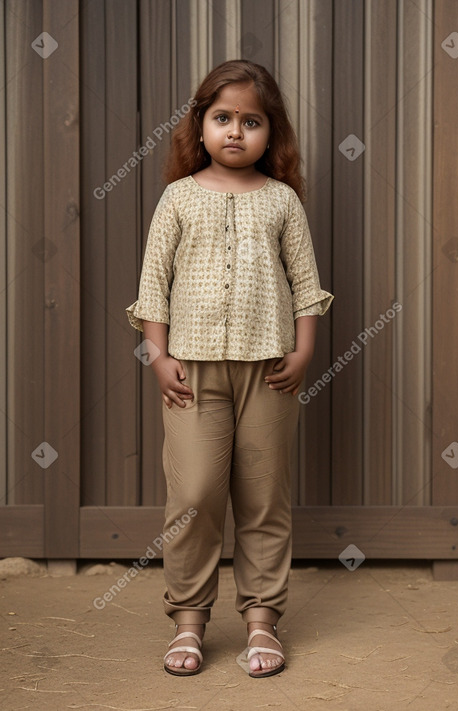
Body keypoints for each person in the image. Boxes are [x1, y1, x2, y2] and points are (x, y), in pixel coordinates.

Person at [125, 59, 333, 678]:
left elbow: (305, 284)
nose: (236, 132)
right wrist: (158, 357)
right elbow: (152, 285)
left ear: (273, 134)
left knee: (263, 496)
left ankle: (263, 622)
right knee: (193, 495)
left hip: (269, 370)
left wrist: (303, 351)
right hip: (191, 372)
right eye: (223, 118)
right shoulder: (178, 197)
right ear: (200, 125)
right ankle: (189, 622)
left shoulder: (282, 202)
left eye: (252, 121)